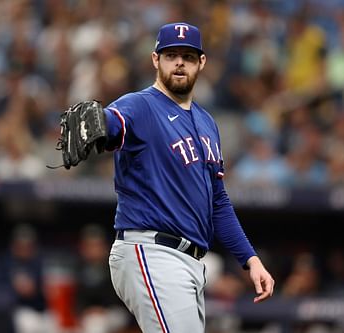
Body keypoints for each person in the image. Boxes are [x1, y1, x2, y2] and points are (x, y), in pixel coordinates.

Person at [70, 22, 275, 333]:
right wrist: (103, 123)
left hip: (191, 261)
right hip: (151, 251)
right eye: (171, 55)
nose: (179, 62)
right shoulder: (140, 105)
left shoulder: (207, 123)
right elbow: (113, 123)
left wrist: (250, 259)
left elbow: (217, 200)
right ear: (156, 60)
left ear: (201, 63)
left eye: (188, 56)